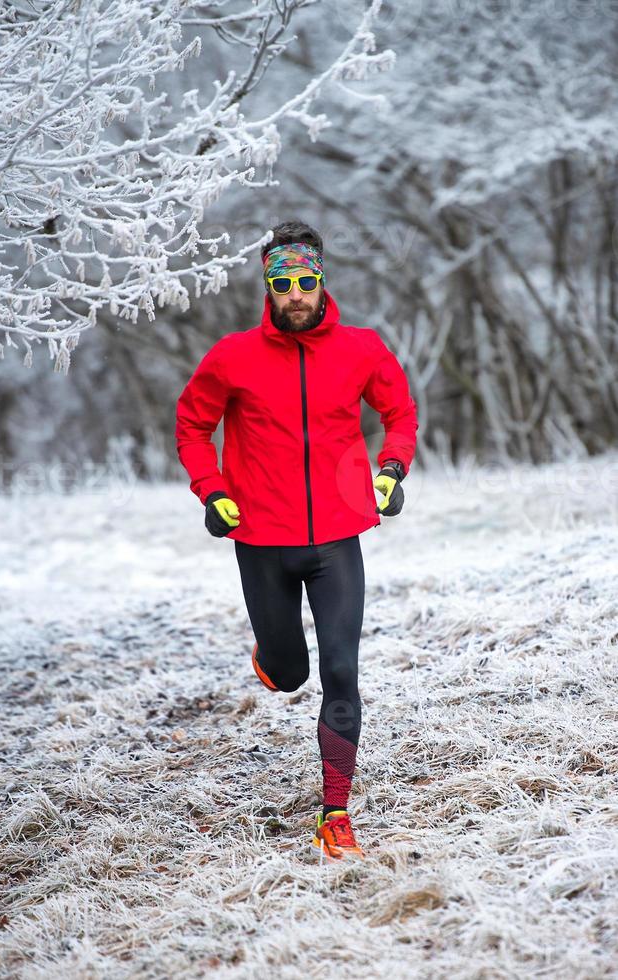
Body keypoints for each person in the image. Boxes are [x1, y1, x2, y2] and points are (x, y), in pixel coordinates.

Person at [175, 220, 418, 862]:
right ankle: (274, 657)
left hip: (338, 538)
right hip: (260, 541)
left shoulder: (362, 349)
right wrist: (211, 489)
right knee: (291, 675)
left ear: (320, 280)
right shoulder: (232, 356)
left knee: (341, 668)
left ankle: (334, 812)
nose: (295, 295)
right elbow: (191, 426)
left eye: (304, 282)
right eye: (282, 284)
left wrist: (392, 470)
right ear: (268, 287)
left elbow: (400, 414)